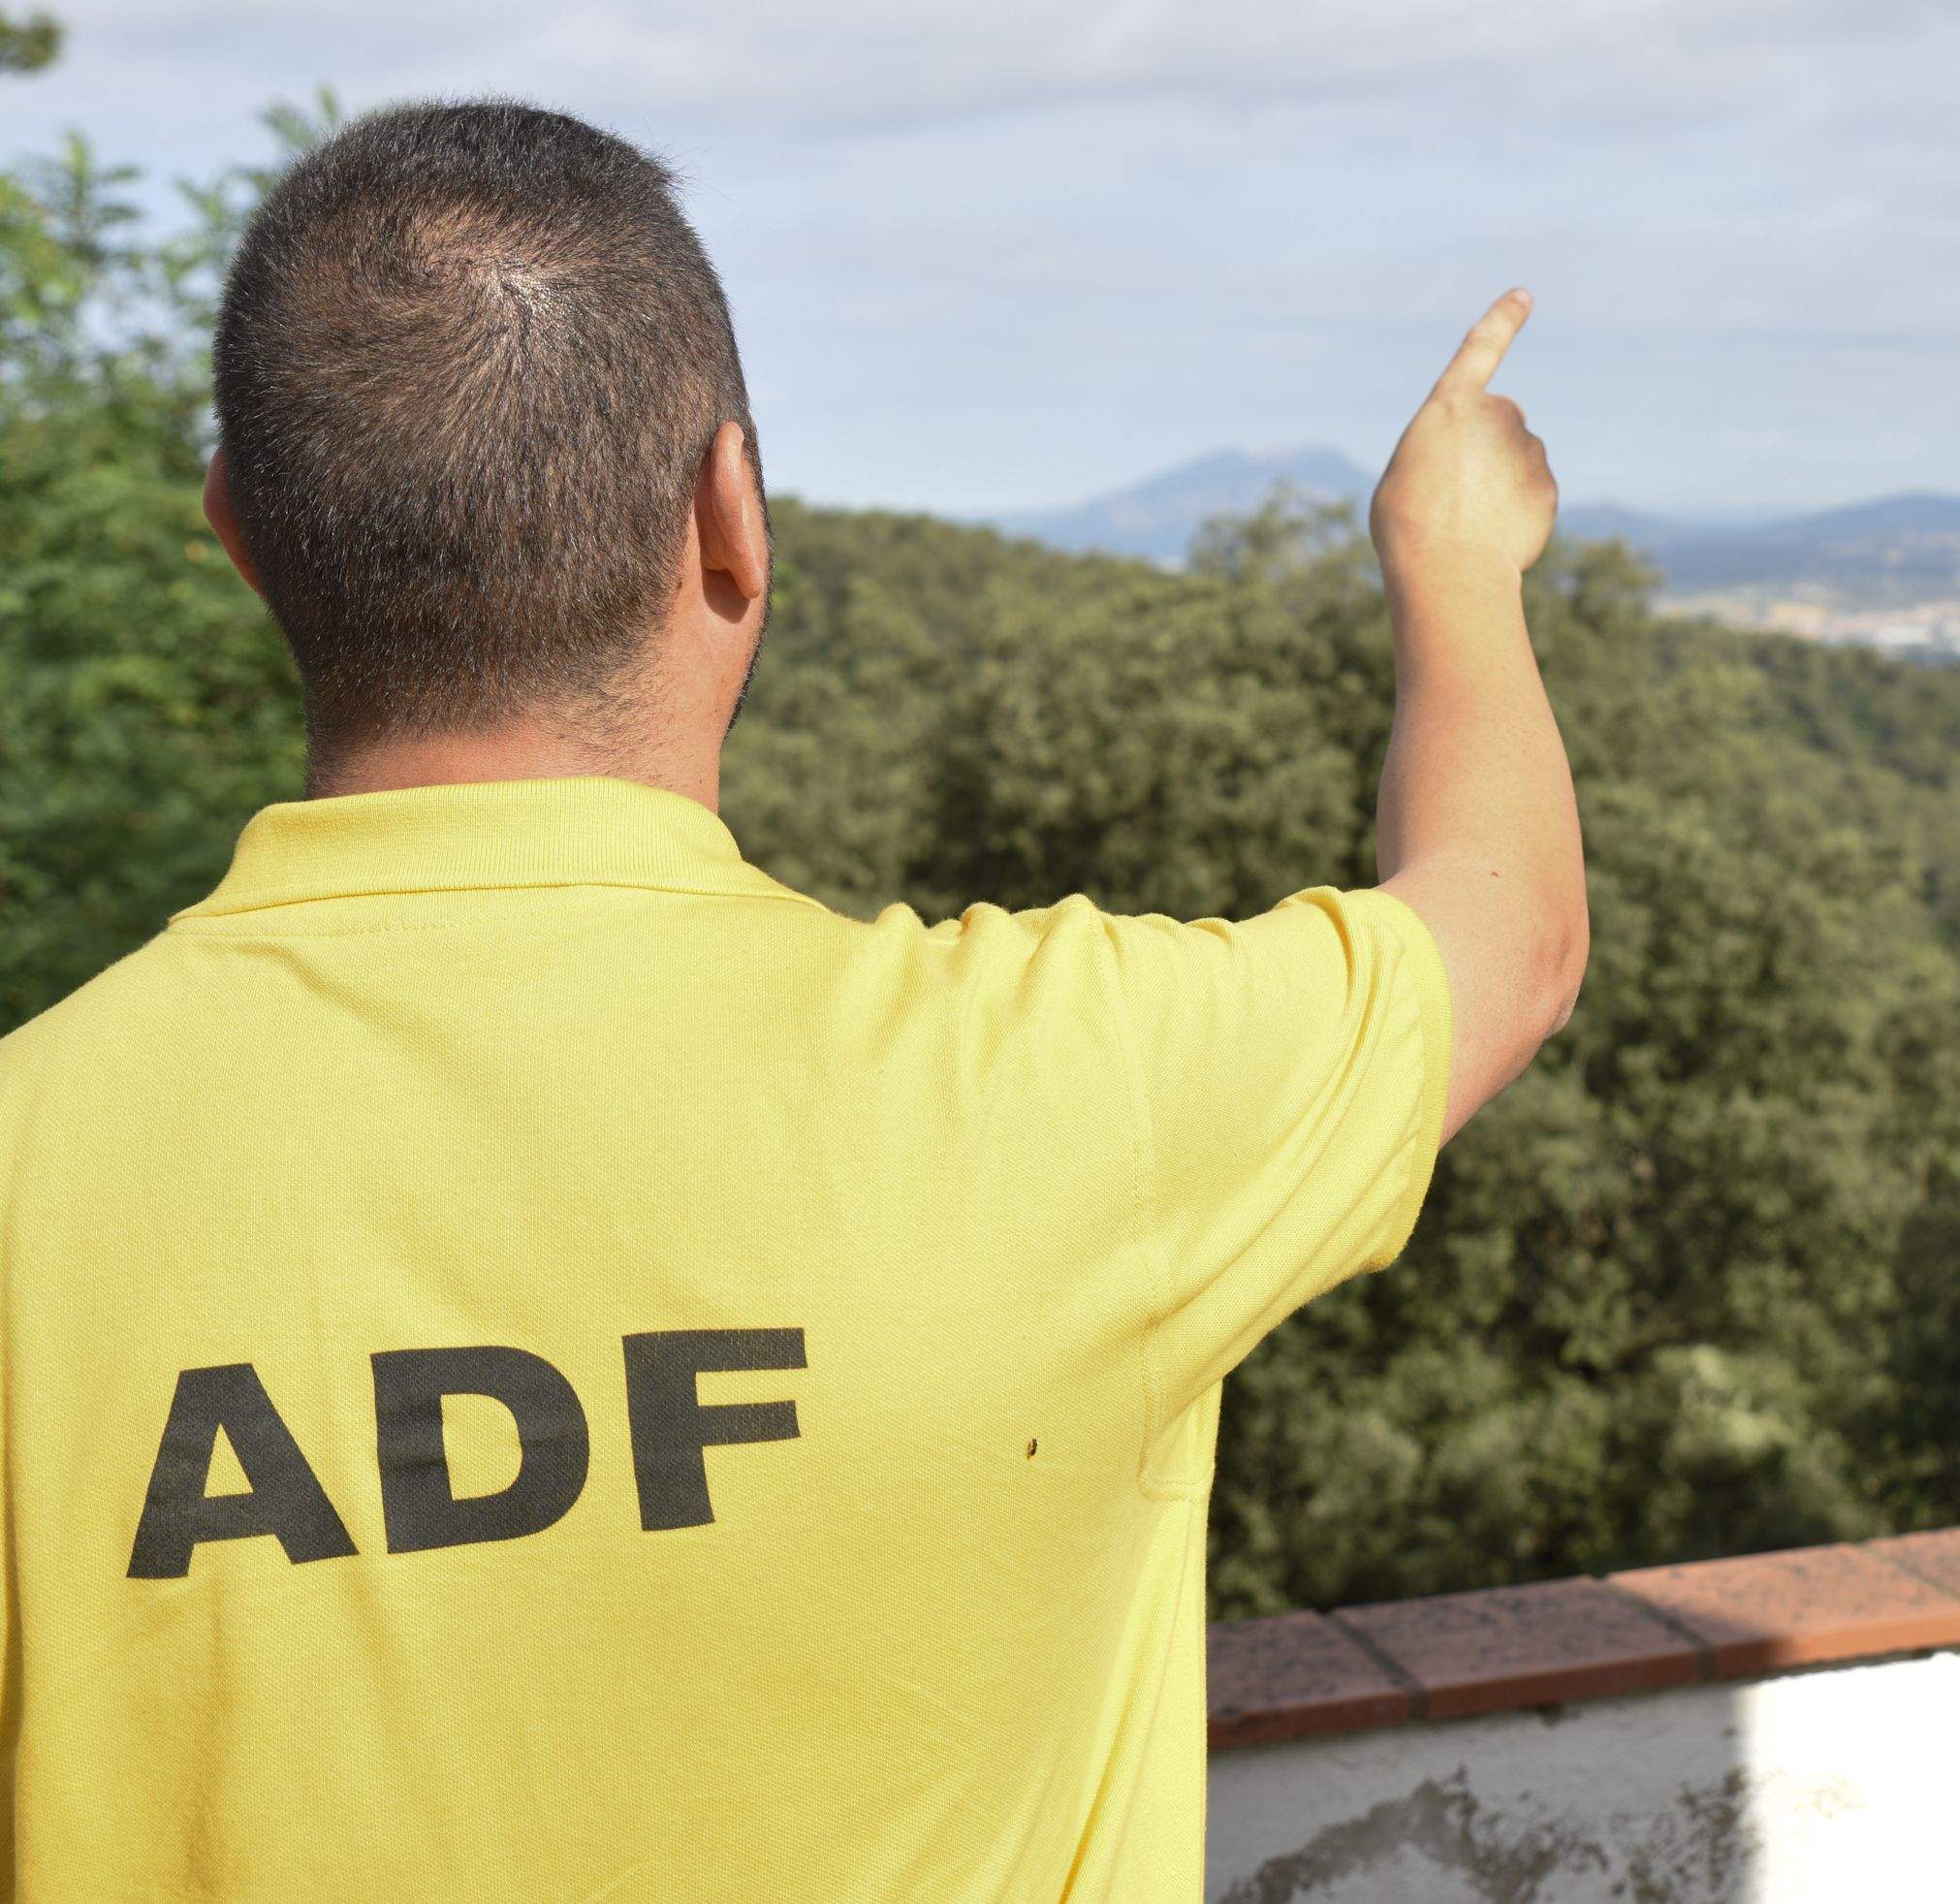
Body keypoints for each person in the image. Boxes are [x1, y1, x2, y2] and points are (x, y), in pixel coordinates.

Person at [0, 101, 1586, 1899]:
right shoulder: (1066, 1091)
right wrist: (1454, 558)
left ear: (241, 536)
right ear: (731, 516)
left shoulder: (29, 1176)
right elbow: (1511, 930)